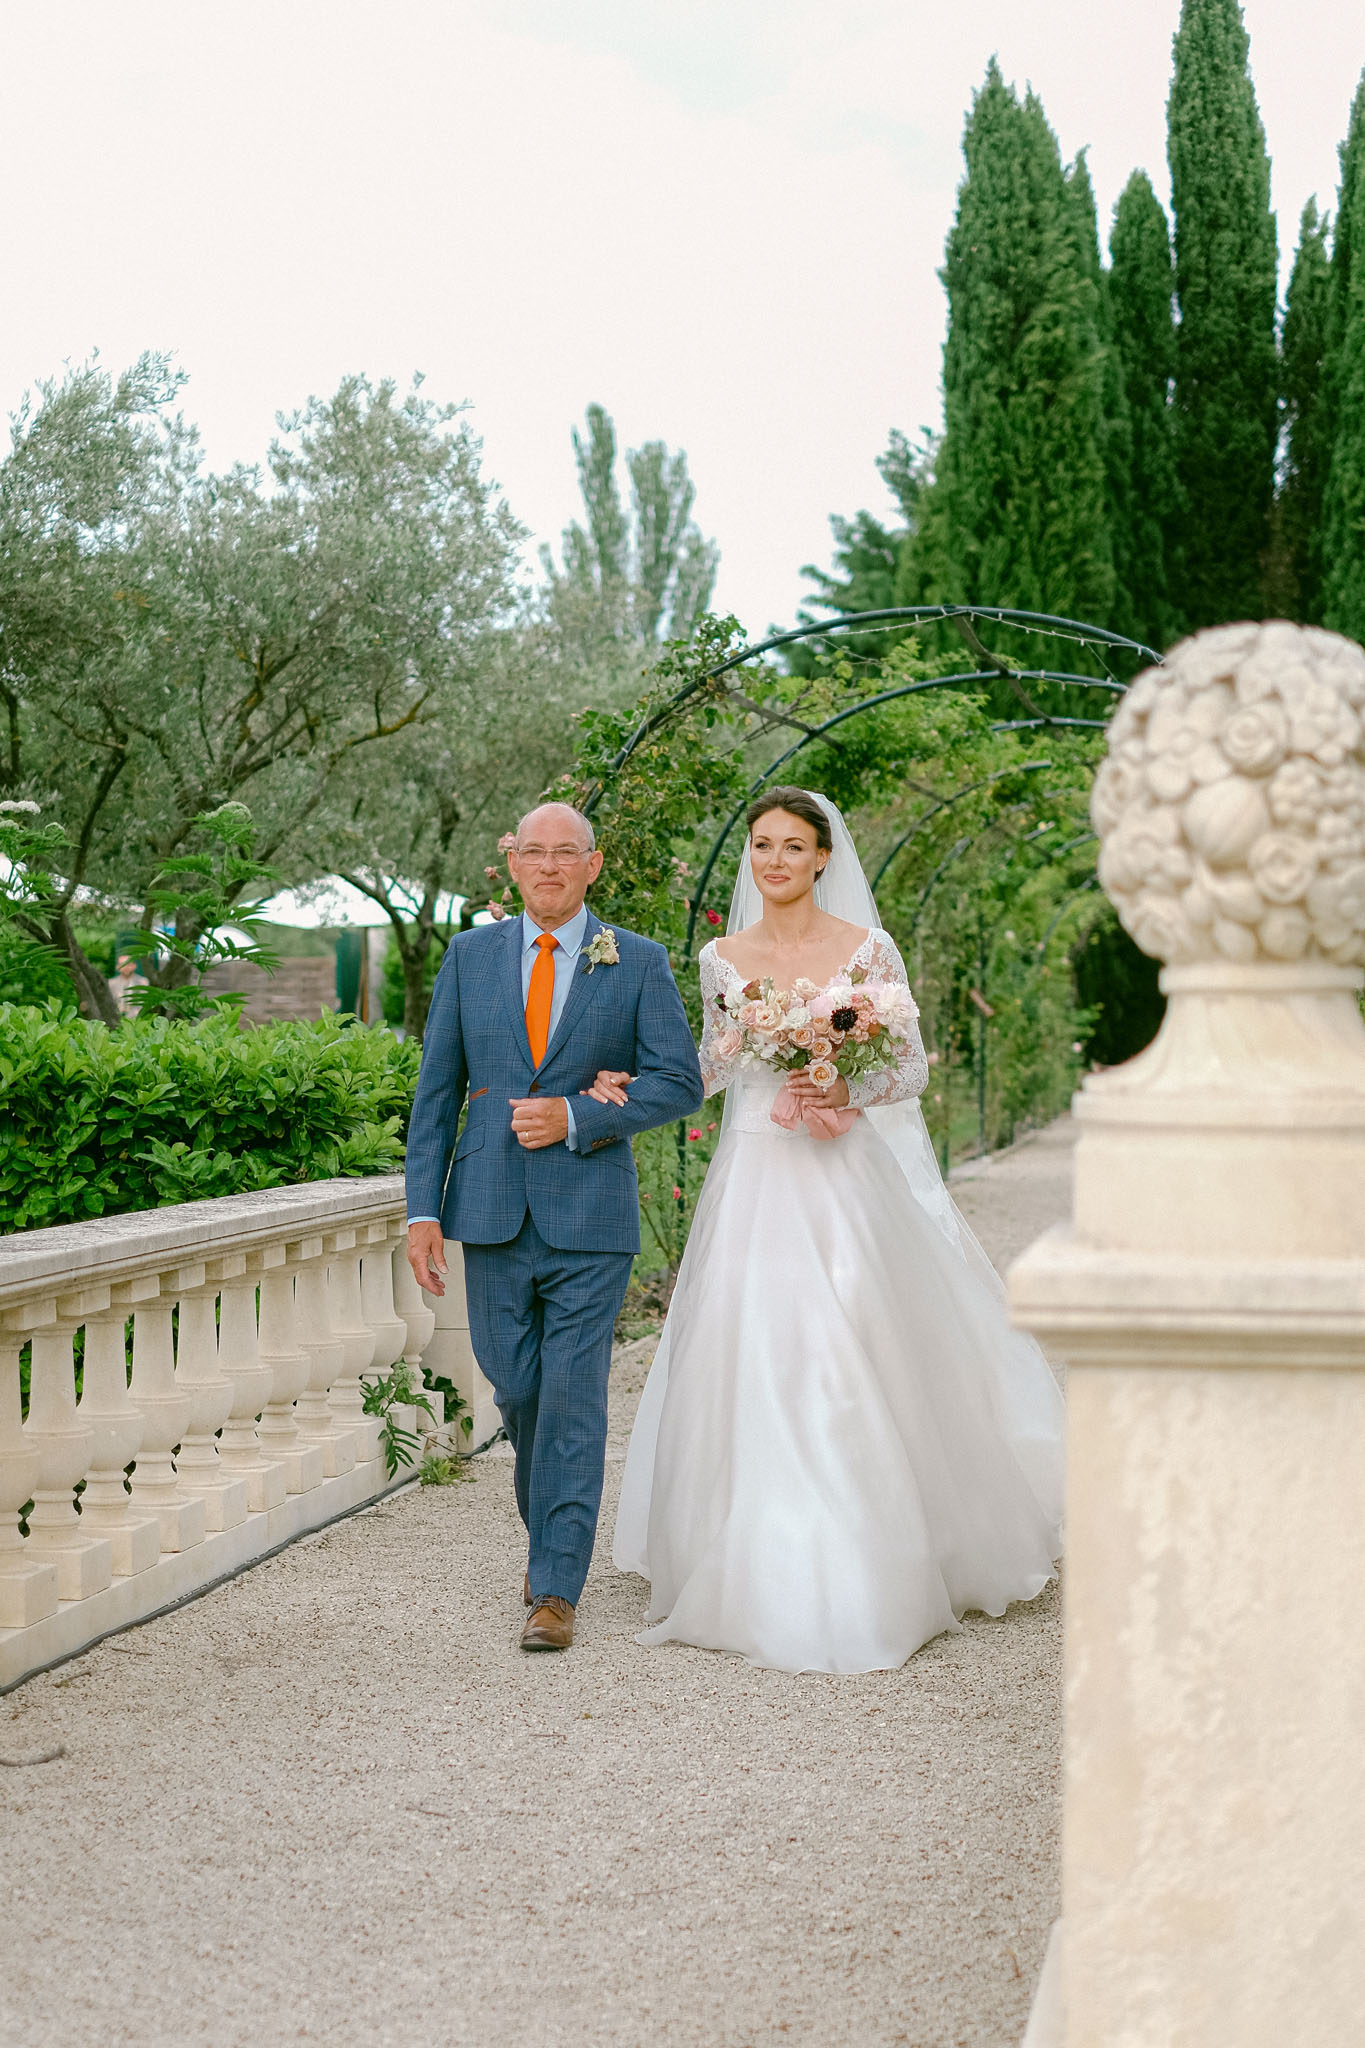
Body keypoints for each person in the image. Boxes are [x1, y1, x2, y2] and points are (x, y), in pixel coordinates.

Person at [607, 787, 1065, 1675]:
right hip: (753, 1169)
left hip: (842, 1172)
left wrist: (843, 1088)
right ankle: (749, 1550)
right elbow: (712, 1062)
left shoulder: (865, 950)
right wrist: (632, 1085)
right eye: (760, 845)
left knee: (851, 1343)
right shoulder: (719, 957)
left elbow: (909, 1065)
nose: (772, 860)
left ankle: (876, 1545)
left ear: (822, 857)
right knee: (750, 1346)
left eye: (791, 845)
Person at [405, 802, 704, 1652]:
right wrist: (422, 1209)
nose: (547, 867)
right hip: (489, 1211)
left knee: (572, 1396)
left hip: (589, 1216)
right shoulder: (469, 958)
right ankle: (553, 1549)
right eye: (532, 853)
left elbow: (678, 1082)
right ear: (513, 864)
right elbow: (435, 1094)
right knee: (518, 1388)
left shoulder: (635, 962)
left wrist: (576, 1116)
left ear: (592, 866)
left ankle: (554, 1588)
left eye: (563, 854)